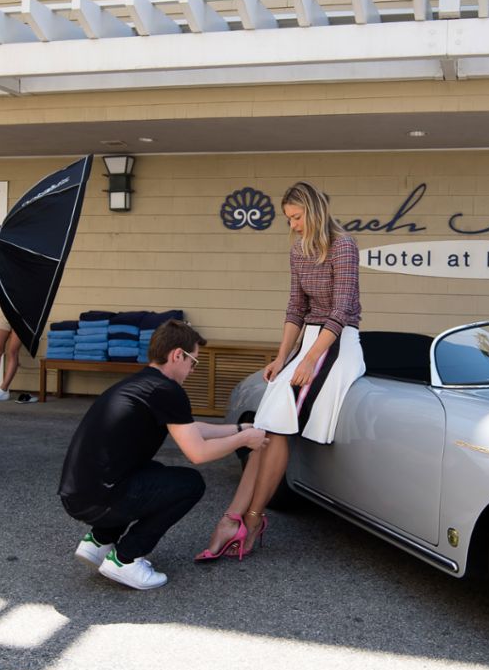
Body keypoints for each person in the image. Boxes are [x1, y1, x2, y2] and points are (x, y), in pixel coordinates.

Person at [198, 181, 366, 561]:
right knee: (263, 428)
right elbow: (295, 308)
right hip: (307, 344)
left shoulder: (343, 245)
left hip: (337, 344)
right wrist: (282, 357)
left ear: (314, 211)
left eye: (297, 217)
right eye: (288, 219)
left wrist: (309, 360)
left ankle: (249, 520)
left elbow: (341, 310)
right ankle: (233, 519)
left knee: (275, 428)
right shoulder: (298, 250)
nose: (293, 225)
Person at [60, 320, 268, 590]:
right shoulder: (168, 390)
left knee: (153, 472)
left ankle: (99, 542)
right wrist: (244, 440)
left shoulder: (143, 383)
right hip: (99, 499)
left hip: (78, 493)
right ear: (177, 355)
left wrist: (239, 428)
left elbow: (191, 429)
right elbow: (198, 453)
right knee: (189, 484)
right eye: (194, 362)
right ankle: (125, 558)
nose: (193, 370)